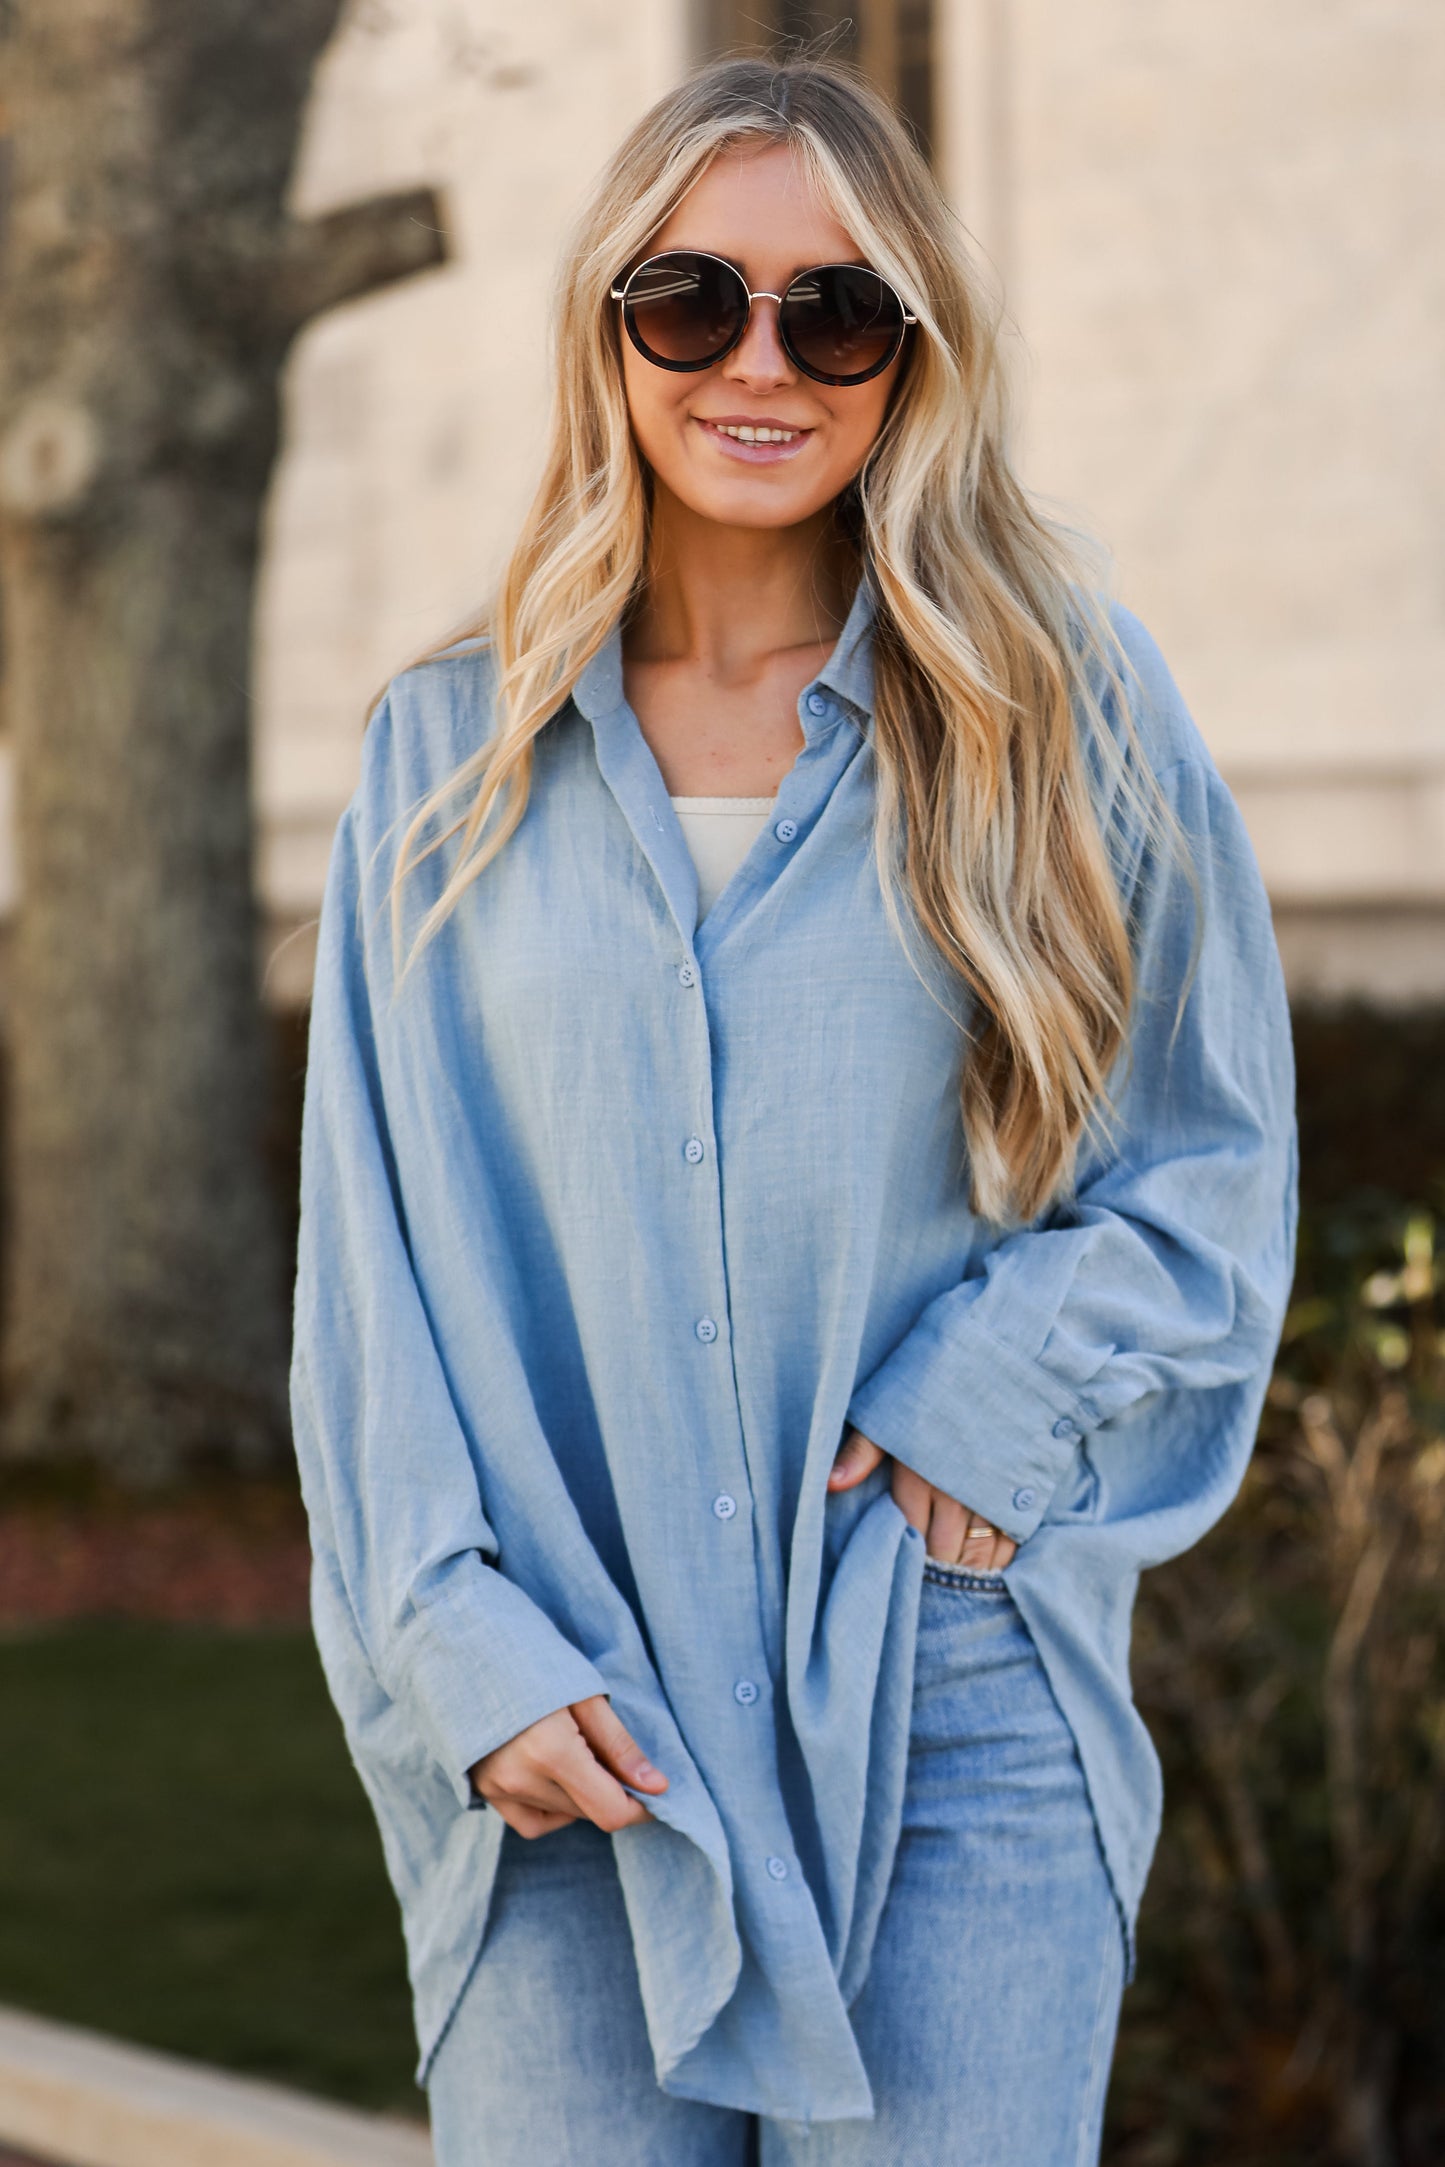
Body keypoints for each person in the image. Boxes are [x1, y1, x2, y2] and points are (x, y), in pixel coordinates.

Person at [289, 51, 1298, 2167]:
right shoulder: (439, 760)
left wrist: (997, 1377)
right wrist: (453, 1641)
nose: (762, 361)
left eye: (834, 311)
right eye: (692, 302)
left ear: (912, 352)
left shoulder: (1062, 712)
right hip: (575, 1731)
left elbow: (1211, 1162)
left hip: (949, 1711)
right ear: (611, 330)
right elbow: (366, 1282)